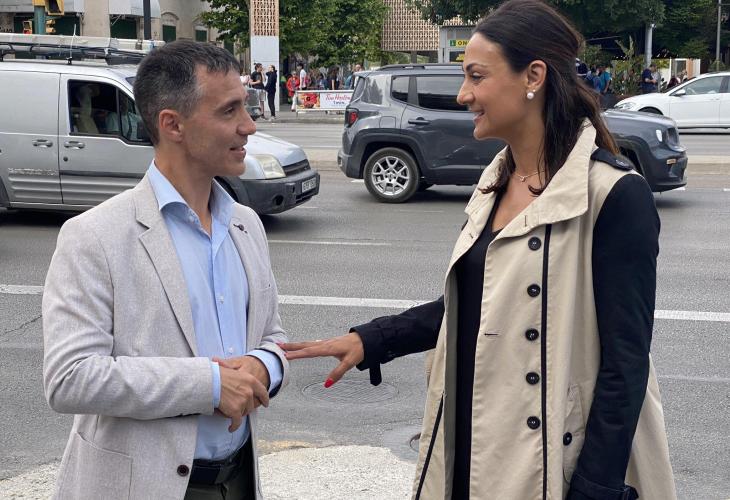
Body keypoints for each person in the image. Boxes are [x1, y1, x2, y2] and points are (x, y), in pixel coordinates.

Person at [281, 1, 676, 499]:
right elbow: (477, 304)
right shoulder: (495, 181)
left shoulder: (612, 194)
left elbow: (626, 363)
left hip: (552, 459)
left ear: (533, 76)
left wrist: (593, 488)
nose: (463, 94)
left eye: (476, 76)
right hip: (471, 438)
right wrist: (372, 339)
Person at [43, 40, 289, 500]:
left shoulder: (246, 224)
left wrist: (264, 365)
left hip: (238, 478)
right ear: (172, 124)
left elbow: (272, 336)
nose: (249, 125)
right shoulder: (94, 236)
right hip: (139, 486)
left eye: (246, 106)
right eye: (229, 110)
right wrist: (209, 385)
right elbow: (70, 377)